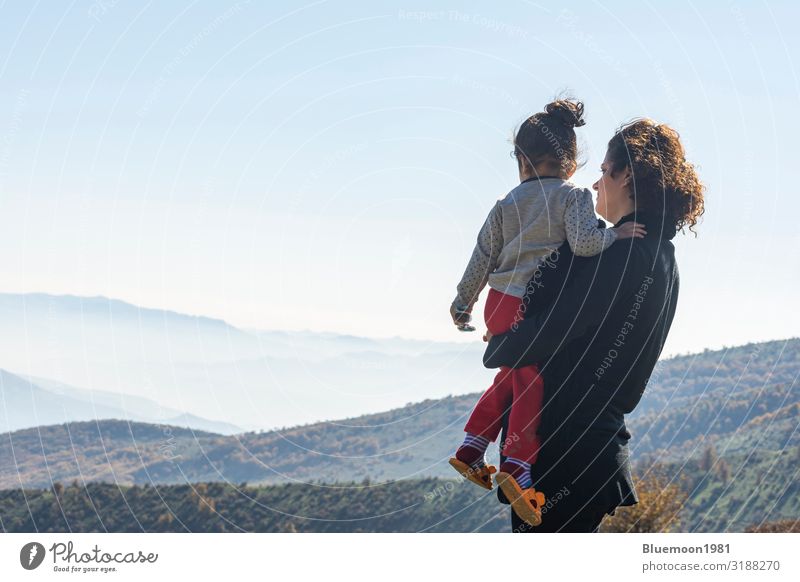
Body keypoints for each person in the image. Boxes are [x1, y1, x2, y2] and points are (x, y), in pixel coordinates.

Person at [483, 118, 705, 532]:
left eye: (605, 171)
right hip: (594, 450)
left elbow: (554, 329)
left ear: (628, 176)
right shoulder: (662, 256)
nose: (596, 183)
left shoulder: (618, 258)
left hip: (563, 454)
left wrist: (499, 343)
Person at [447, 99, 645, 527]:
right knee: (531, 383)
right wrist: (615, 235)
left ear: (520, 159)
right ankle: (517, 466)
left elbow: (480, 258)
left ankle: (470, 446)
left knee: (509, 376)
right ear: (572, 163)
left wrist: (463, 304)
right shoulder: (572, 197)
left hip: (497, 304)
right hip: (530, 303)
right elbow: (585, 243)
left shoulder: (506, 203)